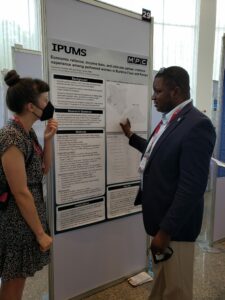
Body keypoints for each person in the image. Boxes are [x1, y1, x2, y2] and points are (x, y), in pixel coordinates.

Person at [120, 66, 216, 300]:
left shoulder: (197, 125)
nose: (153, 97)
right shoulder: (170, 120)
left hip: (176, 229)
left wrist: (166, 231)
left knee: (177, 291)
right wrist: (131, 137)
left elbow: (192, 187)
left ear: (176, 91)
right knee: (162, 284)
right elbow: (157, 153)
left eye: (158, 91)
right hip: (161, 221)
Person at [0, 70, 58, 300]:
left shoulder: (27, 134)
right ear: (30, 106)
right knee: (13, 283)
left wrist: (48, 140)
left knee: (17, 279)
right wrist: (40, 233)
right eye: (44, 99)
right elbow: (20, 191)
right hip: (17, 221)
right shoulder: (10, 137)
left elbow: (44, 169)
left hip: (27, 217)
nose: (48, 104)